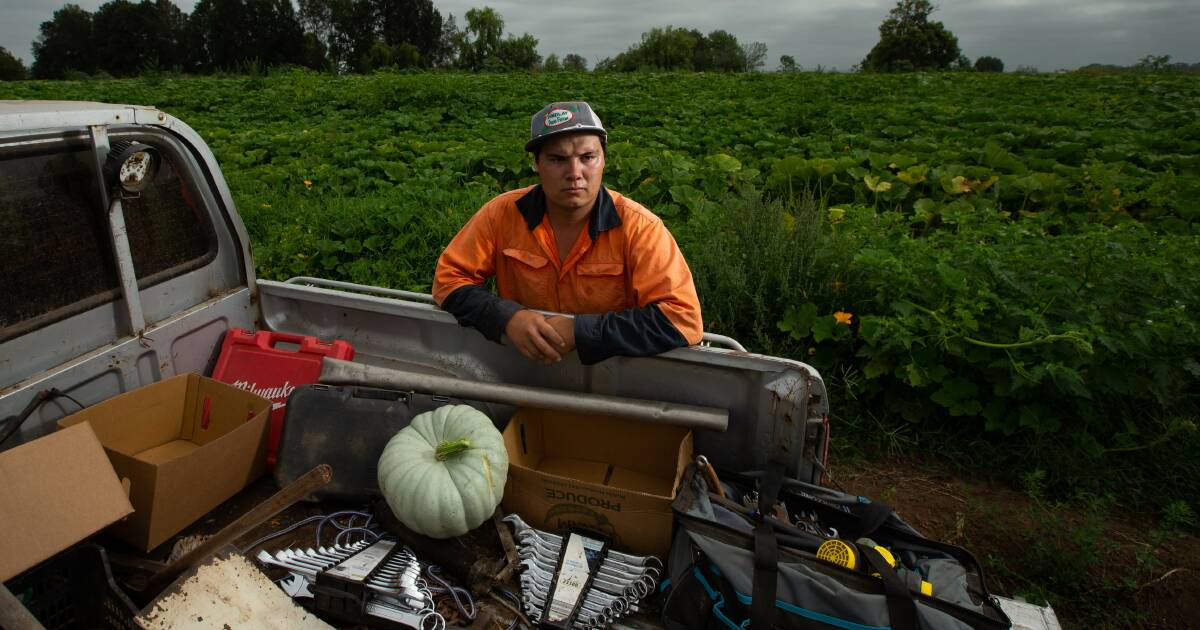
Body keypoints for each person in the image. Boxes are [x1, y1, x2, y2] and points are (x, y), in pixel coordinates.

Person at [433, 101, 703, 365]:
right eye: (557, 159)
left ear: (604, 160)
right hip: (525, 371)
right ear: (536, 163)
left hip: (615, 381)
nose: (575, 173)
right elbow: (448, 280)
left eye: (587, 157)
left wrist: (580, 331)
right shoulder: (502, 214)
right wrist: (507, 317)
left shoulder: (640, 228)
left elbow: (682, 320)